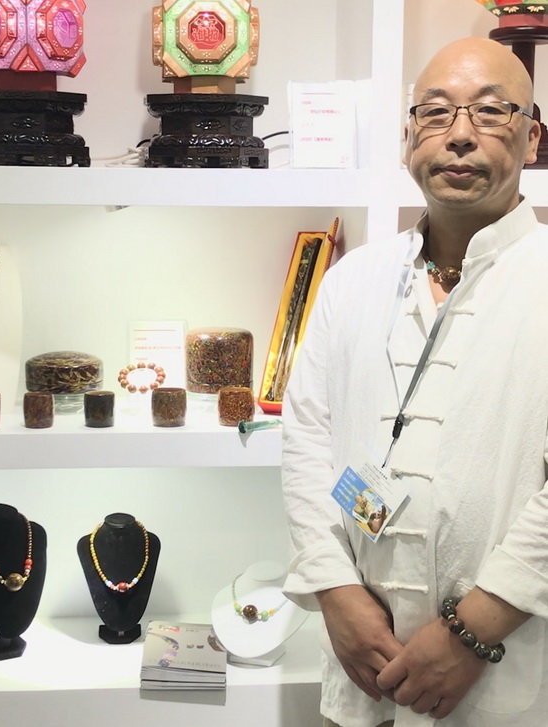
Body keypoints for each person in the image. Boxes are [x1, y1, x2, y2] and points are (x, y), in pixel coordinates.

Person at [281, 36, 548, 726]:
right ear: (407, 139)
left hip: (507, 670)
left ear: (533, 138)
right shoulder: (353, 281)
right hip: (362, 667)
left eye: (490, 111)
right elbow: (306, 441)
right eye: (435, 111)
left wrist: (474, 629)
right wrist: (335, 591)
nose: (459, 134)